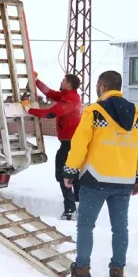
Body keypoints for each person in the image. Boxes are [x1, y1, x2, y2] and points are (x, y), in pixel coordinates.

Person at [61, 70, 138, 277]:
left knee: (86, 225)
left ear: (101, 87)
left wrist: (70, 171)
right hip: (124, 182)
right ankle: (117, 269)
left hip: (95, 179)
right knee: (120, 227)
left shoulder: (94, 111)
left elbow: (80, 144)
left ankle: (81, 271)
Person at [22, 72, 83, 220]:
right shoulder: (69, 96)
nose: (61, 82)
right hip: (72, 142)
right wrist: (37, 82)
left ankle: (70, 210)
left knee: (64, 174)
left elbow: (50, 113)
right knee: (72, 174)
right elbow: (51, 93)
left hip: (70, 144)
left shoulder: (69, 100)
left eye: (63, 80)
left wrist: (29, 109)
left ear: (68, 84)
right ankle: (78, 205)